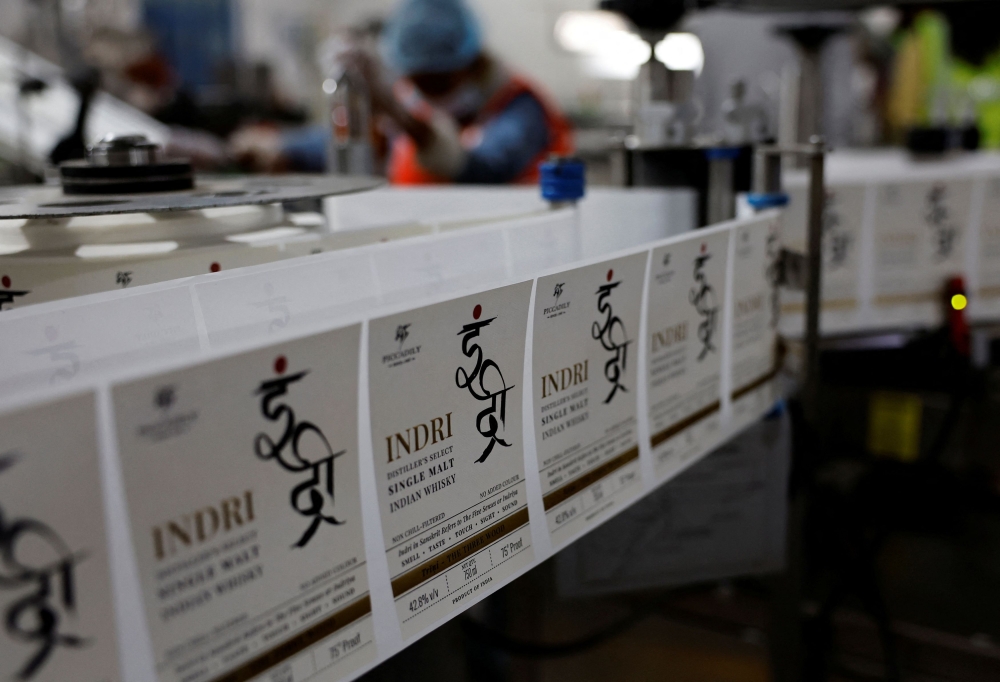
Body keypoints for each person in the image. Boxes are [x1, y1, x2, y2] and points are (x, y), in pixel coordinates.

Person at [246, 0, 573, 182]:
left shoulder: (519, 108)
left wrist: (390, 105)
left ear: (470, 63)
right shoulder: (408, 104)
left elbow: (486, 169)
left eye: (440, 79)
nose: (427, 92)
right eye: (418, 80)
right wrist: (276, 145)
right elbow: (330, 146)